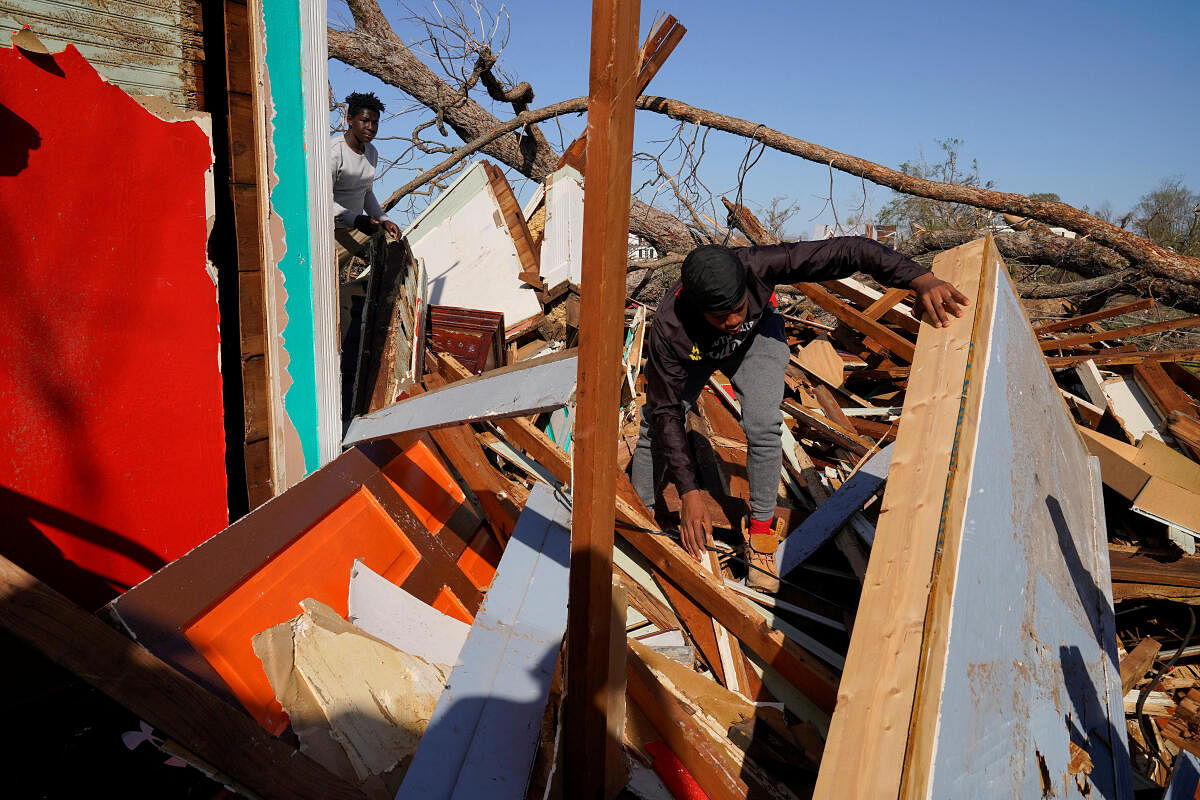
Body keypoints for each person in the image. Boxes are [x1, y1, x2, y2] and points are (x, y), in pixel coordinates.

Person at [630, 237, 969, 567]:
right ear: (696, 306)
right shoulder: (670, 327)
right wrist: (689, 493)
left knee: (763, 425)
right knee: (654, 428)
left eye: (737, 309)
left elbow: (849, 251)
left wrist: (919, 278)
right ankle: (639, 512)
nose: (732, 322)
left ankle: (761, 527)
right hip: (695, 355)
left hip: (756, 340)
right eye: (721, 317)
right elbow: (667, 411)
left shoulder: (759, 265)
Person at [331, 91, 401, 268]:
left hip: (356, 228)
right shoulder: (333, 151)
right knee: (327, 283)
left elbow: (366, 191)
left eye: (375, 122)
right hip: (328, 233)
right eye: (364, 121)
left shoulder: (371, 152)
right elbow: (321, 201)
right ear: (350, 120)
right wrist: (356, 219)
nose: (371, 127)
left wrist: (383, 219)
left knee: (393, 246)